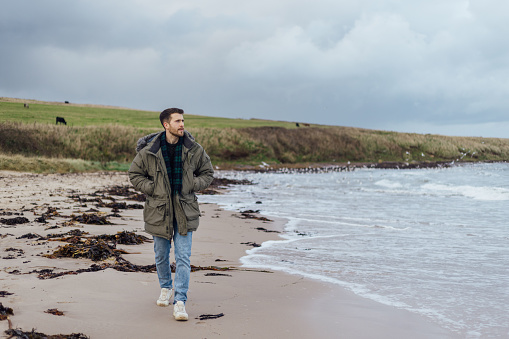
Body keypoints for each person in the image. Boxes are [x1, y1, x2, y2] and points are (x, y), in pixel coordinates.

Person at [128, 108, 214, 321]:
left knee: (183, 257)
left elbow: (208, 173)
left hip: (185, 209)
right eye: (177, 121)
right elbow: (134, 174)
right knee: (161, 255)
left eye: (183, 120)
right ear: (166, 125)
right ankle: (166, 287)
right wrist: (152, 188)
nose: (182, 124)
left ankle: (180, 301)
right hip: (159, 210)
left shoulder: (194, 149)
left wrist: (193, 184)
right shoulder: (149, 151)